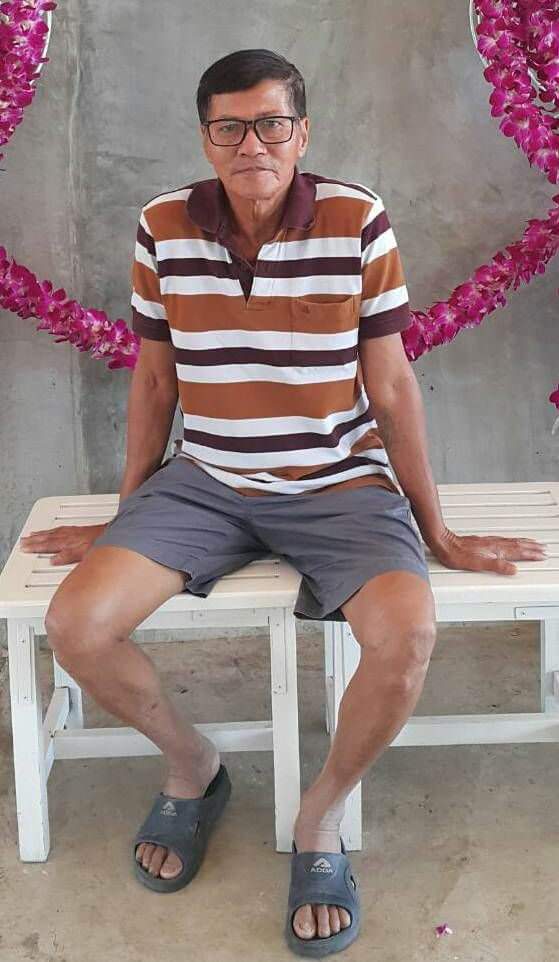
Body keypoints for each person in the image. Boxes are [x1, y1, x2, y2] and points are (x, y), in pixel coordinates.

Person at [19, 48, 547, 958]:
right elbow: (154, 383)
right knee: (77, 625)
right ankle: (194, 768)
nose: (251, 144)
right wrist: (126, 512)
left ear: (301, 134)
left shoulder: (356, 219)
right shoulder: (162, 225)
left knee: (407, 636)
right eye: (229, 127)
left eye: (270, 124)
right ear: (205, 138)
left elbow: (391, 386)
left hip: (340, 484)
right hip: (206, 483)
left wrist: (439, 531)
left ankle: (318, 817)